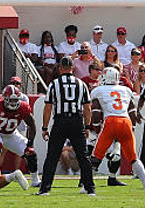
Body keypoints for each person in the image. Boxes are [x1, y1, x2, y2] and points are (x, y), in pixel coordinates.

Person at [37, 56, 94, 196]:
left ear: (61, 68)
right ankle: (90, 188)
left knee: (52, 155)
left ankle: (45, 188)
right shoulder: (81, 84)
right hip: (76, 121)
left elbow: (48, 107)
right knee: (83, 156)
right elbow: (87, 108)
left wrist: (45, 128)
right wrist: (87, 126)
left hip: (60, 121)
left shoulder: (54, 84)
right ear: (72, 68)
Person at [89, 66, 145, 191]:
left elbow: (95, 112)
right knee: (133, 158)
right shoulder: (126, 90)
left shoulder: (98, 90)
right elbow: (132, 111)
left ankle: (87, 186)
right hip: (125, 121)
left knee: (96, 157)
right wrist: (132, 129)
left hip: (110, 121)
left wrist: (96, 130)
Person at [0, 83, 38, 174]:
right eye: (11, 100)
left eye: (15, 100)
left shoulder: (23, 108)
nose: (13, 103)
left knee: (31, 155)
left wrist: (30, 144)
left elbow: (32, 125)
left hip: (11, 135)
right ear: (4, 99)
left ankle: (35, 181)